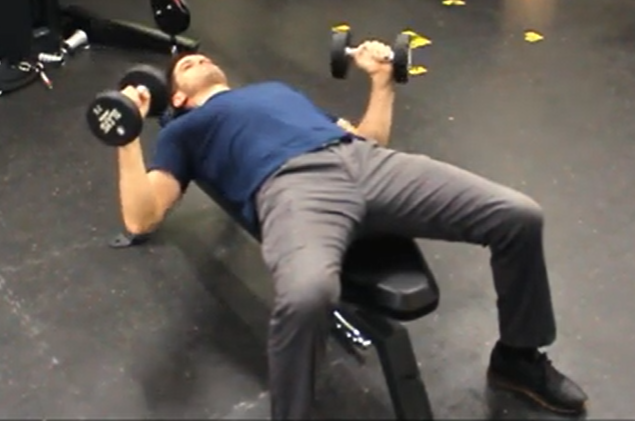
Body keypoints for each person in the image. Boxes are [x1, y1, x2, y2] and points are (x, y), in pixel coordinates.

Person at [117, 41, 588, 419]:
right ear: (176, 99)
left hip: (362, 161)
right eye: (184, 66)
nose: (197, 59)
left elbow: (368, 139)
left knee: (518, 215)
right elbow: (142, 216)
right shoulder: (183, 131)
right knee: (306, 296)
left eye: (200, 56)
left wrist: (382, 82)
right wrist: (127, 133)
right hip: (291, 189)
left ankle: (517, 358)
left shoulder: (276, 91)